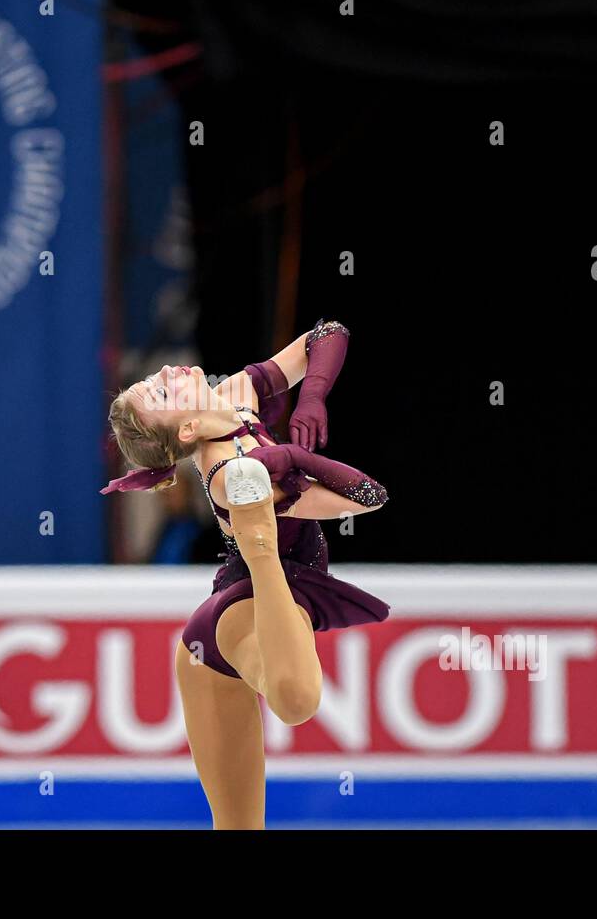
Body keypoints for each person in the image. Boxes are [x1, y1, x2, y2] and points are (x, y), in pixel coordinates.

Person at [102, 318, 389, 828]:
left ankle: (261, 548)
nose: (168, 368)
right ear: (186, 430)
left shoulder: (237, 394)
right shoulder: (224, 471)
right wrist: (294, 457)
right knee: (297, 700)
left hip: (234, 625)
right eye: (163, 389)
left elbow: (330, 332)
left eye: (156, 377)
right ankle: (259, 545)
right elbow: (368, 496)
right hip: (243, 613)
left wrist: (311, 398)